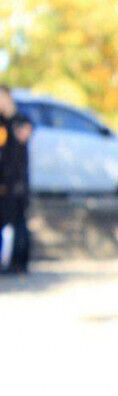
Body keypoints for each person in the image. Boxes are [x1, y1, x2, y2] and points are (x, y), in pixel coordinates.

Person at [0, 85, 34, 275]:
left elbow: (23, 136)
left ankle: (20, 263)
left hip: (18, 183)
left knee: (19, 222)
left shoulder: (21, 120)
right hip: (3, 182)